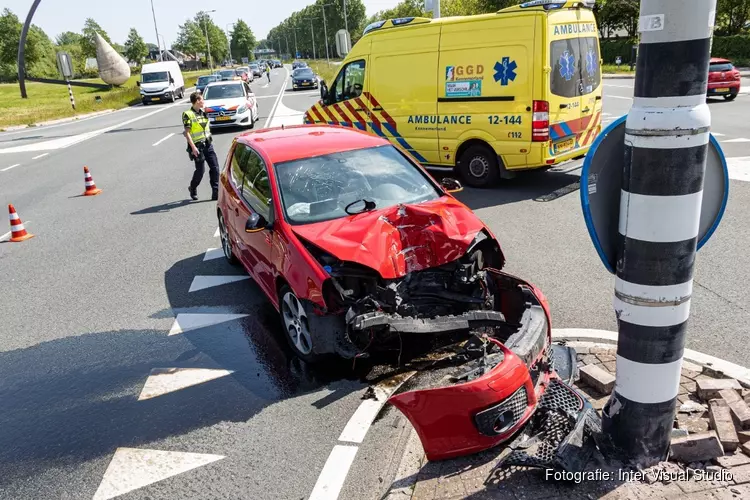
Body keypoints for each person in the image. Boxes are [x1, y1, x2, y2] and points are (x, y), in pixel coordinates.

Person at [182, 92, 219, 201]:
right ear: (197, 101)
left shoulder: (203, 112)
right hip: (198, 147)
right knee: (200, 171)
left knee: (215, 168)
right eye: (202, 99)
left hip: (208, 144)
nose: (203, 101)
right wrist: (193, 148)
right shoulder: (188, 114)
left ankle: (215, 192)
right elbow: (187, 133)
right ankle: (192, 187)